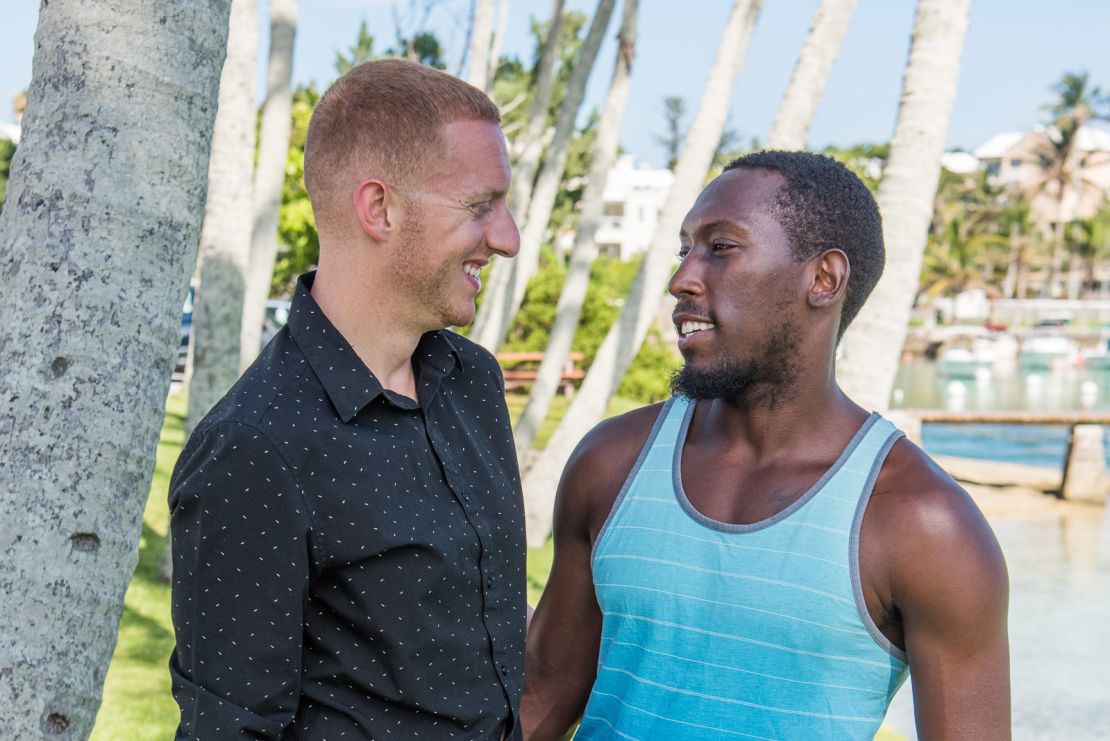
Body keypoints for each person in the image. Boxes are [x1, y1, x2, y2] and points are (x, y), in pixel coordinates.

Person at [521, 151, 1010, 739]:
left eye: (721, 248)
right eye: (685, 249)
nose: (682, 278)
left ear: (823, 279)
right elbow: (542, 695)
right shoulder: (611, 461)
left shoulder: (923, 523)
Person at [168, 59, 526, 739]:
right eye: (482, 205)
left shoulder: (473, 382)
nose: (507, 238)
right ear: (379, 208)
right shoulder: (253, 446)